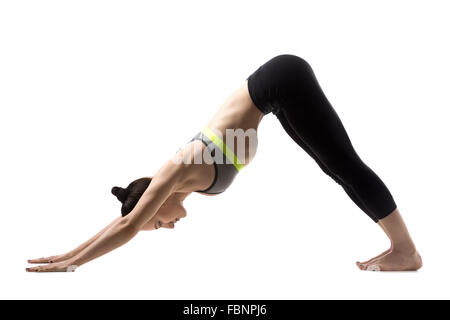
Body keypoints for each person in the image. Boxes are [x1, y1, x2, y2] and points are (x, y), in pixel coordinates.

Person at [27, 54, 422, 272]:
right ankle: (402, 248)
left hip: (281, 81)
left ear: (154, 201)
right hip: (276, 95)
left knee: (344, 166)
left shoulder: (176, 169)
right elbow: (126, 218)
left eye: (160, 221)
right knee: (336, 168)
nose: (169, 226)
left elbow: (129, 224)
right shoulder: (176, 186)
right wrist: (65, 253)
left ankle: (405, 251)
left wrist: (74, 265)